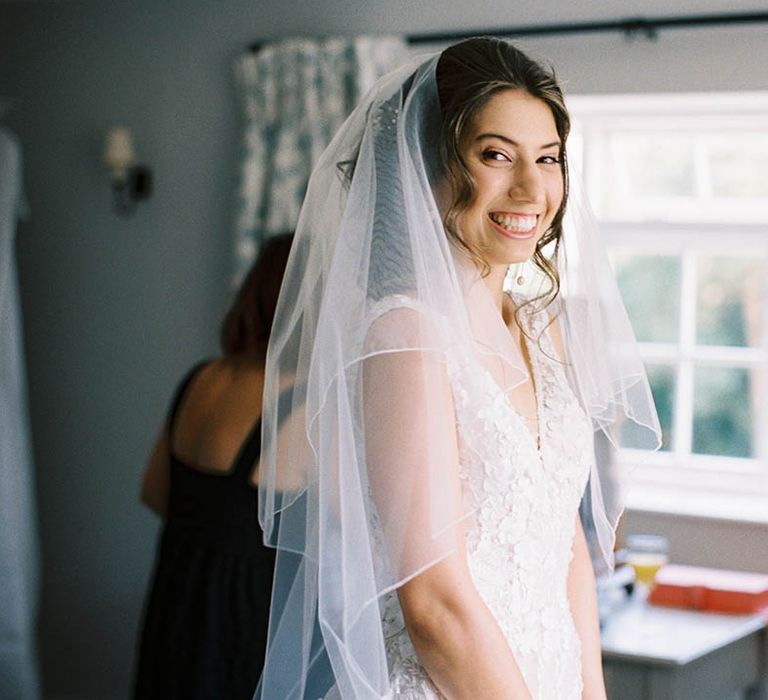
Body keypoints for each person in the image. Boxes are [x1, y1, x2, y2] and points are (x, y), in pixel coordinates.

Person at [256, 38, 660, 700]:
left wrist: (592, 693)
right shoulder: (405, 334)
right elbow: (435, 605)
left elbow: (566, 549)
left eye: (548, 158)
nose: (531, 188)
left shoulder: (546, 327)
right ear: (426, 166)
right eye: (496, 155)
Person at [133, 232, 294, 700]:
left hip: (175, 599)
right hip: (239, 619)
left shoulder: (204, 375)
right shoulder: (303, 401)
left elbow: (153, 492)